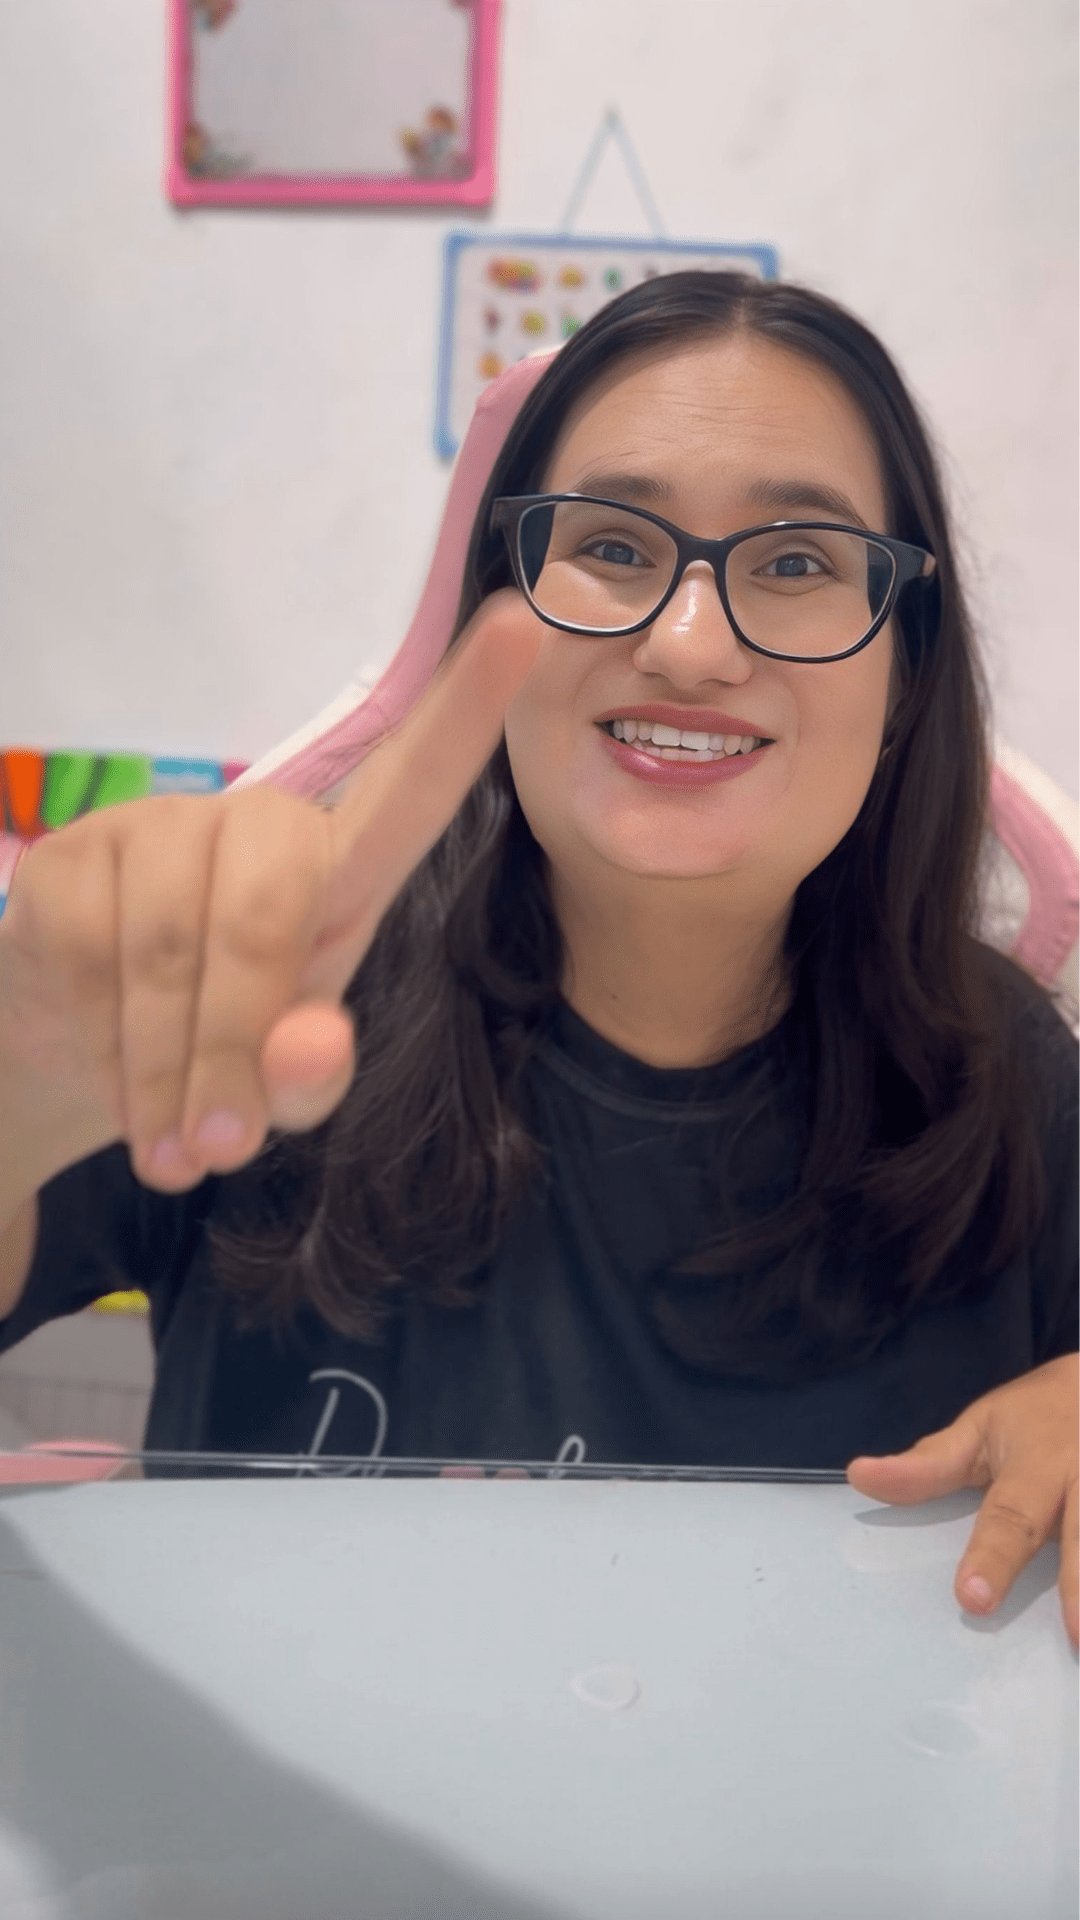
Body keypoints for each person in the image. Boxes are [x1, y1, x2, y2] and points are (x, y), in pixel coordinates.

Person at [0, 273, 1075, 1642]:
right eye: (613, 545)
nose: (689, 646)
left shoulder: (1012, 1075)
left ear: (906, 669)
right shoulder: (278, 1013)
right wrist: (19, 1086)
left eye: (798, 562)